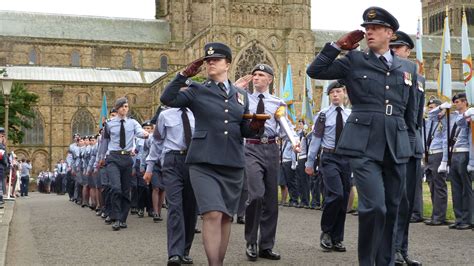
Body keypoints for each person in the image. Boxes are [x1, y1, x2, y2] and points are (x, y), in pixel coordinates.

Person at [306, 6, 417, 265]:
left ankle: (385, 261)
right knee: (374, 206)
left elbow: (411, 113)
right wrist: (335, 46)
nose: (369, 32)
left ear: (390, 33)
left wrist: (410, 146)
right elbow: (315, 71)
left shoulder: (408, 67)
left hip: (396, 144)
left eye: (375, 28)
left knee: (392, 208)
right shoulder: (354, 61)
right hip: (363, 144)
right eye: (367, 28)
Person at [160, 42, 265, 266]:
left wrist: (256, 125)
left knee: (226, 216)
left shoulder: (240, 95)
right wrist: (183, 75)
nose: (210, 63)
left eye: (215, 60)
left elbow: (242, 128)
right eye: (208, 60)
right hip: (203, 162)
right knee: (212, 214)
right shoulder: (197, 90)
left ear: (227, 64)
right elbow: (167, 99)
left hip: (232, 163)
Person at [241, 63, 297, 261]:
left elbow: (286, 126)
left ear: (270, 79)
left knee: (271, 199)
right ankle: (251, 242)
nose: (256, 78)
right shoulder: (243, 99)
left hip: (271, 148)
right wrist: (237, 88)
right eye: (254, 75)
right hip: (251, 147)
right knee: (255, 195)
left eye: (261, 75)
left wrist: (295, 142)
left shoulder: (278, 102)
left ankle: (266, 245)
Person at [144, 106, 198, 265]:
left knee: (190, 207)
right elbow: (157, 142)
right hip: (172, 161)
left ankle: (185, 249)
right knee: (175, 206)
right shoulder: (165, 115)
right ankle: (174, 253)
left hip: (193, 161)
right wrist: (149, 167)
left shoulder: (197, 112)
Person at [389, 30, 424, 265]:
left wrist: (416, 146)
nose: (394, 52)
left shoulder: (418, 80)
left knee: (407, 202)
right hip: (392, 145)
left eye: (398, 48)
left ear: (407, 51)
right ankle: (390, 250)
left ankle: (402, 249)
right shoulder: (386, 76)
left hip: (412, 146)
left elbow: (417, 115)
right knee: (393, 200)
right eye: (391, 48)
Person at [305, 81, 352, 252]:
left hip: (346, 159)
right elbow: (316, 139)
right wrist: (310, 162)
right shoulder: (323, 115)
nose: (335, 95)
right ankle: (326, 232)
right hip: (329, 157)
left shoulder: (350, 115)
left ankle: (337, 238)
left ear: (344, 94)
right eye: (332, 92)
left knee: (344, 197)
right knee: (336, 194)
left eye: (338, 91)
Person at [97, 97, 149, 231]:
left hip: (126, 158)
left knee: (126, 190)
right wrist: (101, 157)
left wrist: (146, 134)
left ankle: (122, 219)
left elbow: (139, 132)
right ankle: (115, 216)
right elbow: (105, 142)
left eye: (126, 106)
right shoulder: (109, 124)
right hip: (113, 157)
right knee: (116, 188)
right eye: (122, 106)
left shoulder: (133, 123)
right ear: (117, 108)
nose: (124, 109)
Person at [445, 93, 473, 230]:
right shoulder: (457, 117)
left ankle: (468, 219)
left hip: (464, 152)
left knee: (466, 188)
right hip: (454, 154)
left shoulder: (471, 116)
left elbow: (471, 140)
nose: (455, 104)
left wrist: (472, 161)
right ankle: (459, 218)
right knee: (455, 188)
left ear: (465, 102)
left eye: (457, 102)